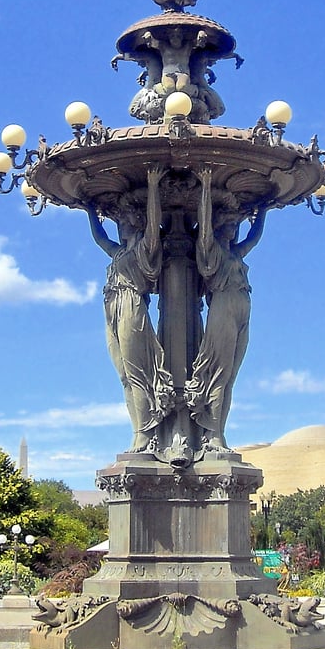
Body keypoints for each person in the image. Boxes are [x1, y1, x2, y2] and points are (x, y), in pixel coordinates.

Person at [85, 165, 174, 452]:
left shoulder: (145, 248)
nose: (118, 224)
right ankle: (139, 429)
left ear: (134, 223)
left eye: (122, 220)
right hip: (111, 306)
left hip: (131, 305)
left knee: (138, 374)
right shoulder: (119, 252)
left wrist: (152, 188)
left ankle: (146, 436)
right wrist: (88, 209)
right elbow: (99, 239)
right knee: (124, 375)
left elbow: (153, 224)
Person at [184, 166, 267, 450]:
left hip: (242, 308)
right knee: (218, 372)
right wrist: (205, 187)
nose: (235, 228)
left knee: (230, 376)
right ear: (220, 227)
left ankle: (218, 430)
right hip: (223, 308)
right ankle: (212, 434)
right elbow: (204, 229)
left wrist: (263, 209)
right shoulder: (211, 251)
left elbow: (254, 239)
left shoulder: (235, 253)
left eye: (236, 225)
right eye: (231, 225)